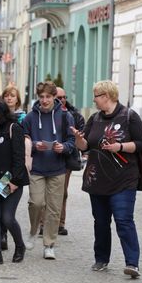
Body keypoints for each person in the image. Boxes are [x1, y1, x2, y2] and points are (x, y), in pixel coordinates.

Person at [71, 80, 142, 278]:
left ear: (106, 96)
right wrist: (79, 139)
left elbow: (141, 144)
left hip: (124, 179)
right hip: (97, 179)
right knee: (101, 221)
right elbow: (85, 146)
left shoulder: (129, 116)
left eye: (96, 96)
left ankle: (132, 263)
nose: (93, 100)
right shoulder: (94, 118)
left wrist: (120, 147)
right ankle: (101, 258)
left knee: (123, 220)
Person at [22, 81, 75, 260]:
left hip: (58, 168)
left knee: (54, 208)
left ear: (54, 97)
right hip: (36, 168)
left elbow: (71, 140)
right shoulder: (30, 117)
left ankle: (49, 244)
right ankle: (33, 230)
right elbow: (24, 139)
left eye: (48, 97)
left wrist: (64, 147)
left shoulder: (65, 117)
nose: (44, 100)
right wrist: (34, 145)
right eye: (41, 97)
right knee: (36, 203)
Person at [0, 100, 29, 265]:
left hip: (10, 180)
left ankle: (20, 245)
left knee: (7, 218)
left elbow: (19, 157)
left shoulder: (13, 128)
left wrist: (15, 180)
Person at [38, 87, 85, 237]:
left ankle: (60, 223)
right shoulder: (40, 114)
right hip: (46, 158)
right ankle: (43, 224)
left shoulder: (74, 116)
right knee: (44, 194)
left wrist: (69, 145)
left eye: (64, 97)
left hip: (66, 159)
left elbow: (80, 137)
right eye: (59, 97)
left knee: (61, 193)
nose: (62, 100)